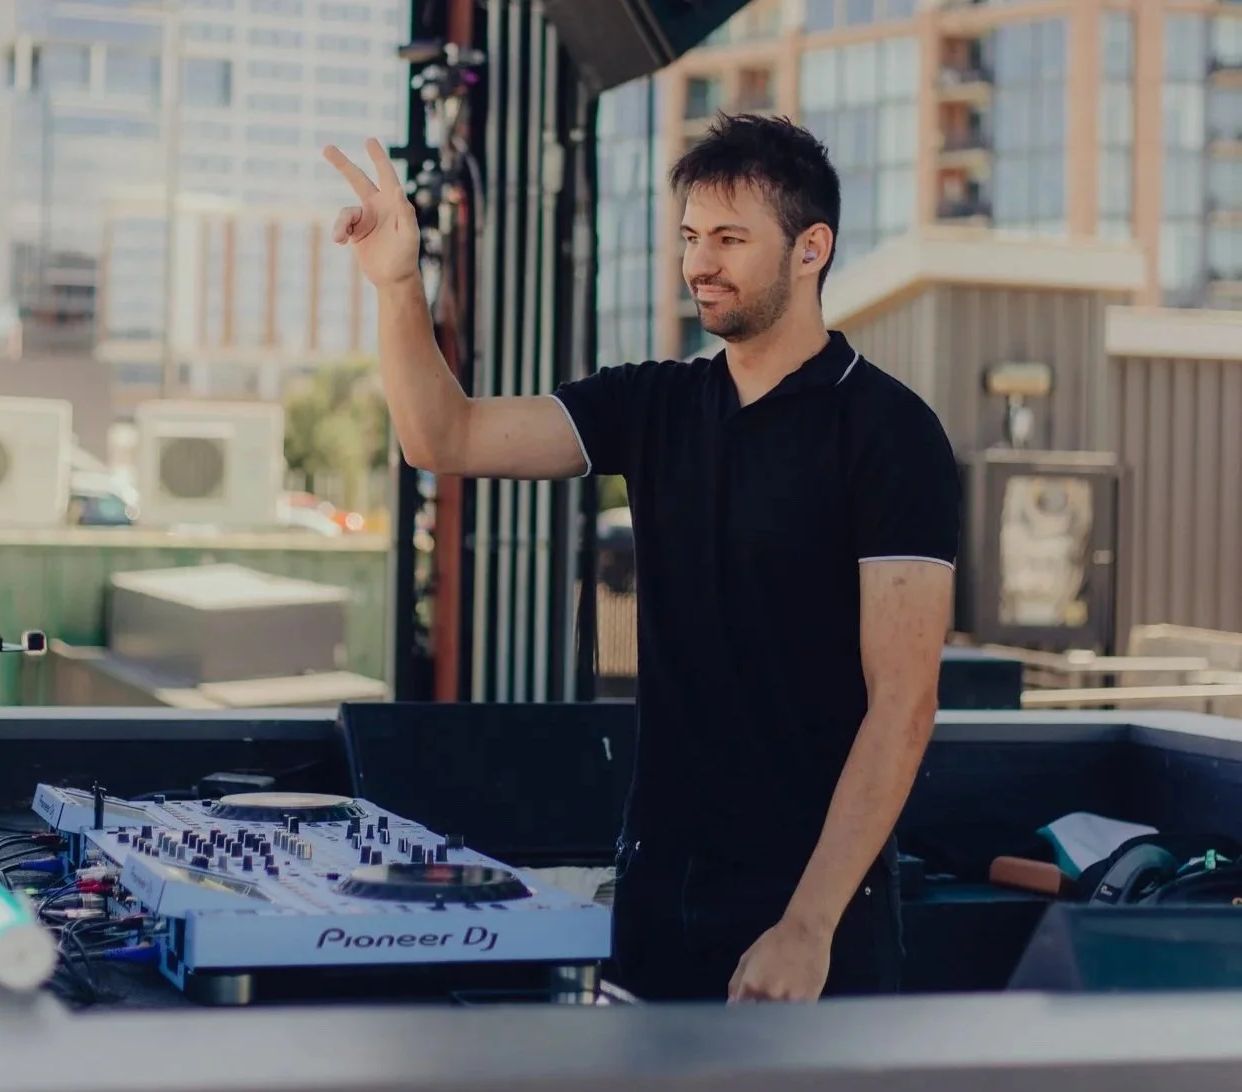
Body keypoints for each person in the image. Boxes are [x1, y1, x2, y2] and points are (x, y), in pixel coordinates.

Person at [323, 112, 961, 1004]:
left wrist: (808, 927)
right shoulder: (653, 403)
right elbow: (445, 435)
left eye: (731, 239)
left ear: (810, 247)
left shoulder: (890, 434)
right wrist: (398, 284)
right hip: (655, 888)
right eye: (692, 237)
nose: (700, 262)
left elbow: (904, 702)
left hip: (809, 905)